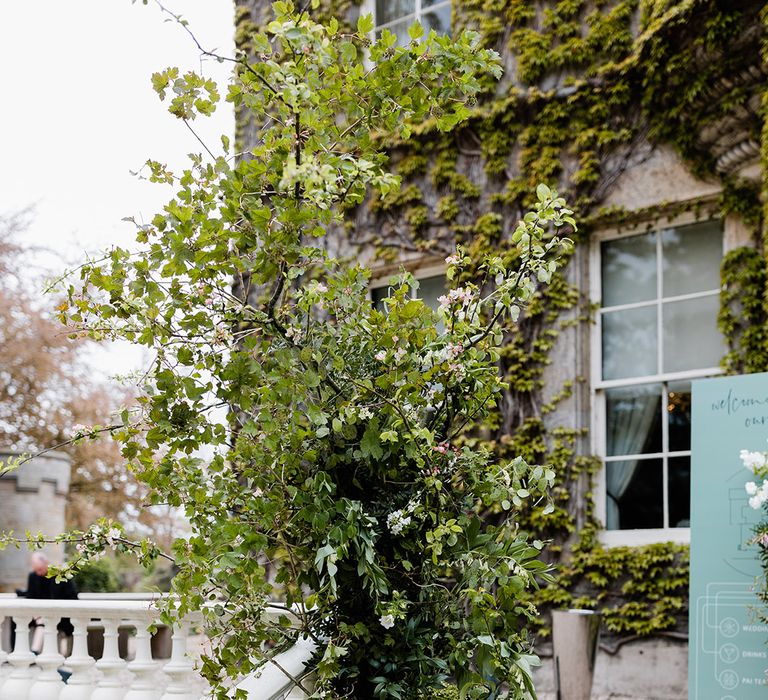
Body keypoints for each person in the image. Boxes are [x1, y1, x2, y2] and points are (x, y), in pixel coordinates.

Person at [15, 552, 78, 654]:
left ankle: (36, 652)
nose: (38, 573)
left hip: (61, 615)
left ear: (47, 563)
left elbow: (72, 597)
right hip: (39, 614)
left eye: (40, 569)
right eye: (36, 570)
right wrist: (35, 613)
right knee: (16, 620)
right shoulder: (33, 576)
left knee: (44, 621)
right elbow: (30, 597)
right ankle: (19, 651)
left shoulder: (62, 575)